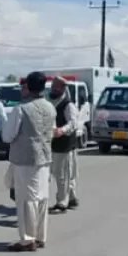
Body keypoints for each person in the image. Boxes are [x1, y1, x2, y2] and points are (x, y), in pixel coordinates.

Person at [1, 71, 55, 252]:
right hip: (45, 156)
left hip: (25, 158)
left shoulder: (21, 109)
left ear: (28, 87)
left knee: (26, 199)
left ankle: (27, 239)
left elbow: (8, 136)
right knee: (42, 197)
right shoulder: (50, 107)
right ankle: (40, 236)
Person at [47, 78, 80, 214]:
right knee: (64, 173)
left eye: (57, 87)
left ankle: (62, 202)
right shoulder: (50, 102)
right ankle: (71, 198)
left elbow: (73, 123)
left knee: (63, 174)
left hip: (64, 144)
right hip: (53, 143)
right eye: (53, 86)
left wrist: (62, 130)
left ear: (62, 88)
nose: (54, 89)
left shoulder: (68, 105)